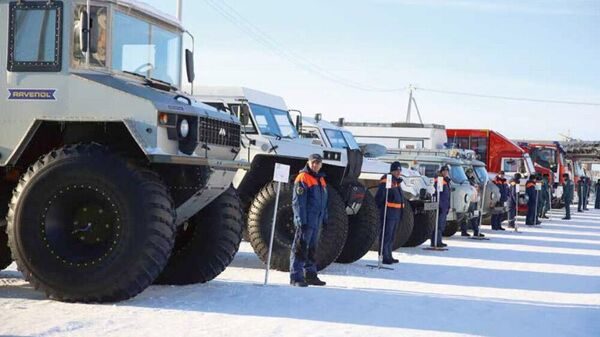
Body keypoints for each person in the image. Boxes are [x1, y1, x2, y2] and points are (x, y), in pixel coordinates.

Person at [290, 154, 328, 287]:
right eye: (313, 162)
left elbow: (324, 201)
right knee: (300, 248)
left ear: (321, 164)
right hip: (307, 220)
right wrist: (300, 218)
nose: (315, 165)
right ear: (308, 162)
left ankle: (310, 275)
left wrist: (325, 216)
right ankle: (296, 277)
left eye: (318, 163)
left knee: (312, 249)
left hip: (316, 220)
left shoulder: (320, 179)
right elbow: (298, 201)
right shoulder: (303, 177)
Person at [375, 161, 404, 264]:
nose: (398, 172)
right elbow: (380, 197)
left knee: (392, 236)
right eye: (396, 170)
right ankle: (384, 256)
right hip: (388, 213)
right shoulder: (387, 181)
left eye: (399, 170)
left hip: (395, 213)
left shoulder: (396, 182)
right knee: (386, 235)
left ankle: (389, 255)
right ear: (392, 171)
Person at [431, 165, 451, 247]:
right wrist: (439, 205)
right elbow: (437, 192)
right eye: (444, 171)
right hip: (441, 206)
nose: (446, 172)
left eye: (447, 171)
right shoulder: (439, 180)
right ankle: (436, 241)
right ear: (441, 171)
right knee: (438, 225)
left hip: (445, 206)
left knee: (441, 225)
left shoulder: (446, 180)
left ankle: (439, 240)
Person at [461, 168, 484, 237]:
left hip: (474, 199)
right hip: (468, 200)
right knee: (465, 216)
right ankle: (464, 231)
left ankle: (476, 231)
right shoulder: (466, 180)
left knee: (475, 216)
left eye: (471, 173)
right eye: (469, 173)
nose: (470, 174)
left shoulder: (473, 180)